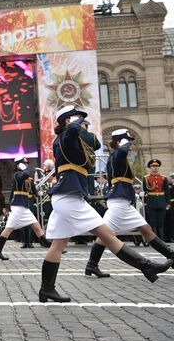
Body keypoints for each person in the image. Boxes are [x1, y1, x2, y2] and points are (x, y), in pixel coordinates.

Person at [38, 105, 172, 303]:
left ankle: (46, 289)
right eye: (78, 119)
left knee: (59, 245)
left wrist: (80, 125)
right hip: (69, 198)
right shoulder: (64, 138)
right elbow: (73, 131)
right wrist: (74, 123)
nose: (83, 123)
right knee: (107, 235)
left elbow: (97, 145)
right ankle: (146, 266)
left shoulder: (74, 138)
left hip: (70, 197)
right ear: (67, 121)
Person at [85, 130, 174, 277]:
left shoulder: (117, 155)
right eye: (127, 141)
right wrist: (125, 145)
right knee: (106, 235)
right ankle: (92, 265)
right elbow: (120, 153)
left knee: (145, 228)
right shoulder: (116, 154)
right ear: (120, 141)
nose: (130, 145)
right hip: (119, 201)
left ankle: (91, 265)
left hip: (122, 200)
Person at [0, 157, 50, 260]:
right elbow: (24, 176)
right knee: (9, 229)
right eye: (25, 163)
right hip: (18, 206)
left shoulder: (27, 177)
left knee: (37, 226)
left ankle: (51, 247)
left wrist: (38, 194)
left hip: (24, 206)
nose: (27, 164)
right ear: (20, 164)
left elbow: (32, 189)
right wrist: (23, 168)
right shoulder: (17, 175)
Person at [143, 159, 170, 238]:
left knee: (161, 221)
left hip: (161, 201)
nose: (155, 168)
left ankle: (162, 239)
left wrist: (168, 203)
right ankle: (155, 239)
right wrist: (145, 202)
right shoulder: (146, 178)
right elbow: (145, 191)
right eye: (153, 166)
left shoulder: (163, 178)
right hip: (151, 201)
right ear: (150, 167)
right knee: (153, 221)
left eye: (157, 166)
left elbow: (167, 191)